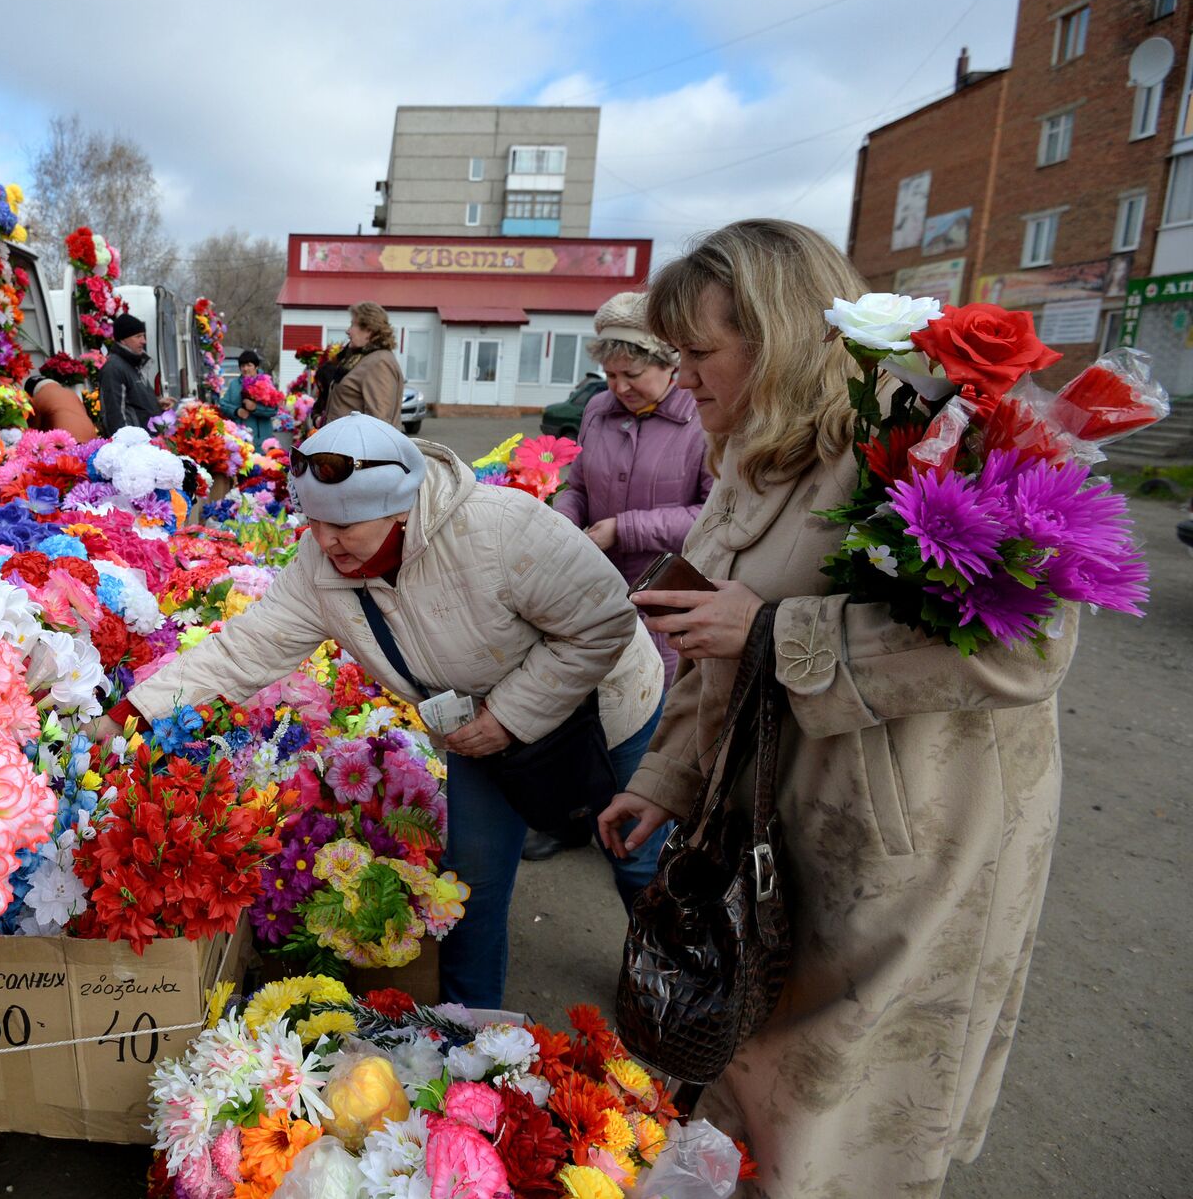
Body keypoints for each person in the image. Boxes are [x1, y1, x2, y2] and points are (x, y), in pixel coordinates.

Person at [596, 219, 1076, 1198]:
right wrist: (666, 774)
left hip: (903, 854)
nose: (679, 377)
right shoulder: (752, 448)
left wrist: (781, 631)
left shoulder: (931, 434)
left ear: (778, 335)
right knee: (756, 1092)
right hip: (775, 833)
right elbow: (711, 630)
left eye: (697, 352)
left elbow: (1030, 645)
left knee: (834, 1124)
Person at [94, 415, 664, 1008]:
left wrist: (508, 718)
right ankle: (472, 1035)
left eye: (344, 525)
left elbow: (604, 622)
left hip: (605, 709)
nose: (325, 541)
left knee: (634, 855)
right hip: (476, 730)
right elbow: (248, 649)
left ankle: (671, 995)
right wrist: (131, 713)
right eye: (314, 522)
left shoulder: (499, 528)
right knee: (471, 887)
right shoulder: (321, 569)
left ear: (400, 508)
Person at [519, 292, 711, 874]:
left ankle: (639, 843)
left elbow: (712, 512)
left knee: (648, 718)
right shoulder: (600, 410)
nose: (619, 387)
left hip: (665, 597)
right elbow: (577, 483)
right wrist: (563, 518)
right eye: (610, 374)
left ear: (670, 361)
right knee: (583, 706)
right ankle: (574, 817)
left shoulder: (702, 418)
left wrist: (623, 529)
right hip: (591, 587)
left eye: (633, 374)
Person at [312, 302, 403, 427]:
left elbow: (379, 424)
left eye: (353, 325)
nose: (348, 331)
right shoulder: (359, 358)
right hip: (344, 443)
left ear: (369, 330)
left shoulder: (379, 363)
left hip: (355, 446)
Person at [97, 313, 162, 435]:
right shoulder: (114, 368)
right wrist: (128, 446)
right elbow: (114, 415)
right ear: (123, 339)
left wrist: (157, 404)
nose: (144, 341)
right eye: (138, 336)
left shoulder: (133, 363)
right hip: (135, 446)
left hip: (147, 442)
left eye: (143, 335)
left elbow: (136, 403)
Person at [217, 349, 279, 444]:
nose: (245, 369)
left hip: (263, 440)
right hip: (240, 439)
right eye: (242, 366)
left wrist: (255, 408)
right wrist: (236, 411)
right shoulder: (234, 385)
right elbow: (223, 405)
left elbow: (273, 410)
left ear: (256, 366)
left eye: (249, 365)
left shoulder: (266, 384)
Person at [23, 372, 99, 441]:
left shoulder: (37, 399)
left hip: (68, 444)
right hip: (92, 439)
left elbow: (33, 431)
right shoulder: (71, 393)